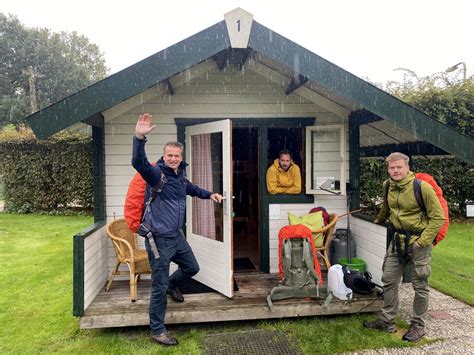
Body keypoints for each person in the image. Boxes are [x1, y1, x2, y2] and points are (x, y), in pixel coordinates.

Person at [132, 113, 223, 346]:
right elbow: (138, 163)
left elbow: (190, 188)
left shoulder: (180, 174)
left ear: (181, 157)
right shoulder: (156, 175)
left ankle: (174, 284)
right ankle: (157, 330)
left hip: (176, 235)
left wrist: (209, 194)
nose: (173, 159)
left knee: (192, 267)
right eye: (169, 155)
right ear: (164, 156)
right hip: (159, 239)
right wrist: (139, 137)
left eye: (176, 156)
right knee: (158, 285)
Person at [363, 152, 445, 342]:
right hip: (397, 241)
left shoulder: (421, 187)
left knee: (420, 285)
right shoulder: (388, 186)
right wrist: (378, 220)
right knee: (389, 279)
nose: (396, 171)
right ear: (388, 169)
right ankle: (387, 321)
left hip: (419, 242)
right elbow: (387, 207)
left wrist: (422, 241)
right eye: (392, 168)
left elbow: (438, 217)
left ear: (407, 167)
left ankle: (418, 326)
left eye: (399, 167)